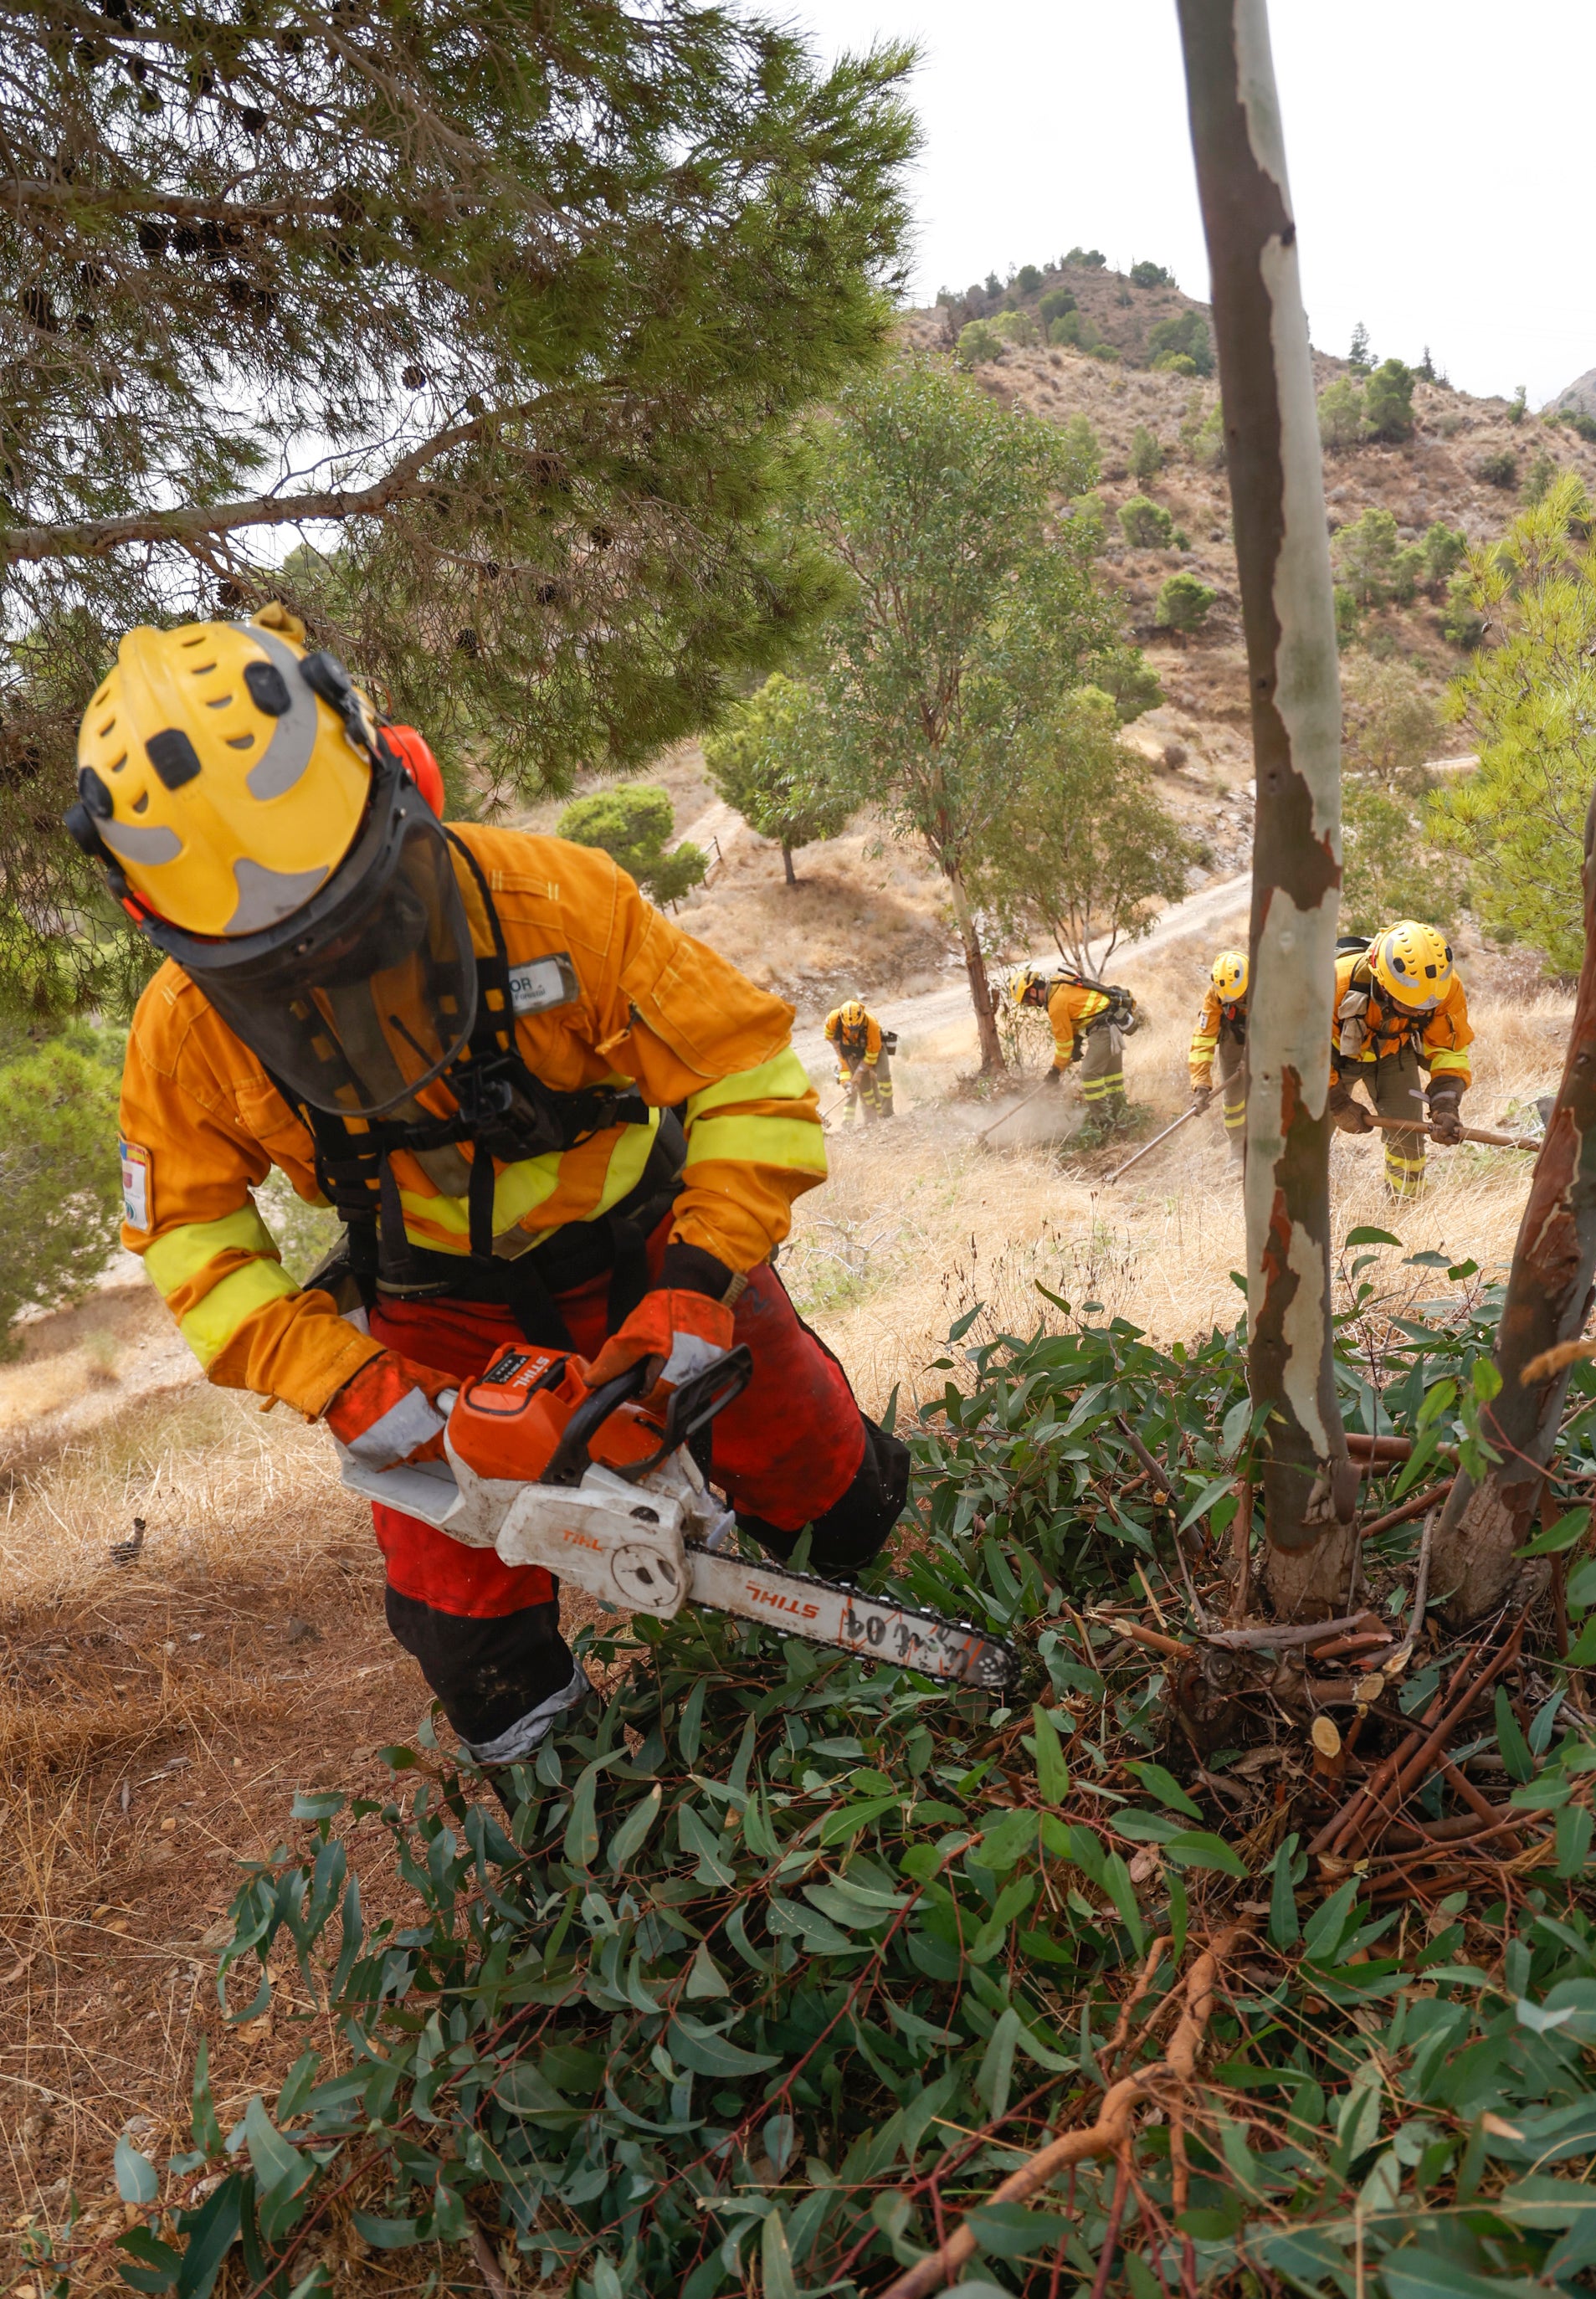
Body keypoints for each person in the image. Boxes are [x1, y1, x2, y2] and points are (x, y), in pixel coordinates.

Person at [73, 606, 908, 1769]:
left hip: (655, 1251)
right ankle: (564, 1793)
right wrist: (351, 1384)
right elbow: (190, 1234)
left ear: (400, 776)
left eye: (356, 924)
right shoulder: (185, 1035)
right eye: (288, 971)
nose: (342, 978)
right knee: (463, 1615)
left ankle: (877, 1673)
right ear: (164, 928)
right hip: (434, 1319)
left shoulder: (554, 901)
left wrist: (700, 1283)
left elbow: (746, 1073)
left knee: (819, 1465)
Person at [1328, 923, 1472, 1199]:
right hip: (1331, 1061)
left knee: (1408, 1138)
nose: (1418, 1012)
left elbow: (1449, 1051)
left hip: (1394, 1052)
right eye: (1408, 1006)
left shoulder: (1445, 989)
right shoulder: (1333, 984)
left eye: (1424, 1009)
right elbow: (1303, 1056)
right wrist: (1336, 1102)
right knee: (1306, 1136)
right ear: (1381, 982)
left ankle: (1407, 1204)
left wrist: (1445, 1103)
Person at [1010, 967, 1136, 1133]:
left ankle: (1105, 1124)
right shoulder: (1058, 982)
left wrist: (1055, 1071)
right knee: (1112, 1076)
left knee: (1089, 1074)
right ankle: (1121, 1116)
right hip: (1111, 1022)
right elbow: (1077, 1009)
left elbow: (1063, 1045)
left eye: (1027, 1001)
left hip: (1104, 1029)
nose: (1030, 1005)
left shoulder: (1055, 1005)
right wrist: (1077, 1040)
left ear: (1032, 991)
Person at [1188, 949, 1250, 1159]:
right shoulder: (1215, 995)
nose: (1236, 999)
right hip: (1233, 1034)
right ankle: (1238, 1152)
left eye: (1240, 996)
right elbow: (1203, 1039)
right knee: (1233, 1100)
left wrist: (1251, 1058)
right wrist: (1200, 1085)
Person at [824, 997, 894, 1125]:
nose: (852, 1032)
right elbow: (834, 1045)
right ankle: (870, 1120)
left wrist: (859, 1072)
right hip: (853, 1052)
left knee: (883, 1076)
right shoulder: (833, 1019)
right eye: (850, 1029)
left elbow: (872, 1056)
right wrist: (847, 1082)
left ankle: (888, 1114)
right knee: (864, 1088)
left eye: (856, 1028)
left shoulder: (871, 1024)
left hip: (874, 1049)